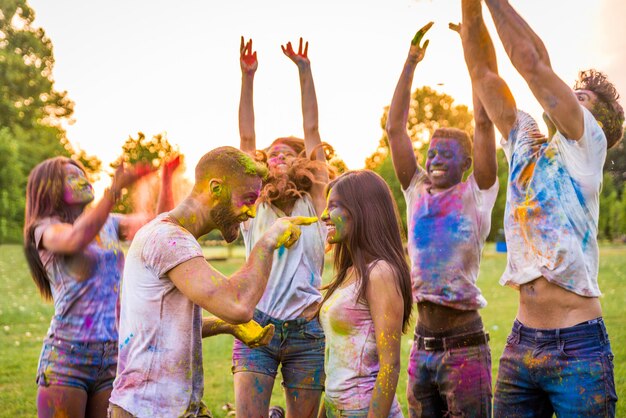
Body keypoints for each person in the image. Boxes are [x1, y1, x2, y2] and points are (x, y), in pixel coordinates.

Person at [458, 0, 623, 415]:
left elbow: (532, 65)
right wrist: (471, 12)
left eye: (578, 96)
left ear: (595, 118)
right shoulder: (527, 139)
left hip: (579, 348)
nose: (565, 97)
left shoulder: (589, 145)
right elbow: (484, 76)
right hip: (521, 345)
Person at [108, 146, 314, 417]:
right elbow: (237, 305)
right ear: (216, 188)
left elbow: (162, 328)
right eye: (247, 199)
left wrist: (227, 326)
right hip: (147, 409)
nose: (251, 213)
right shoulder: (169, 240)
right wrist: (267, 242)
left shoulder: (171, 236)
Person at [385, 23, 499, 417]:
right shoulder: (416, 190)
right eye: (431, 153)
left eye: (445, 155)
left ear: (465, 163)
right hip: (422, 345)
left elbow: (483, 123)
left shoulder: (476, 194)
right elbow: (395, 128)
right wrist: (411, 61)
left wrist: (472, 55)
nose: (433, 161)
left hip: (465, 348)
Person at [23, 155, 179, 418]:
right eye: (72, 177)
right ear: (51, 188)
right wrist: (115, 190)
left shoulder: (107, 222)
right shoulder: (45, 229)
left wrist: (165, 178)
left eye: (83, 175)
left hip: (113, 355)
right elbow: (74, 239)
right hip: (67, 357)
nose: (83, 180)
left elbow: (159, 226)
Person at [233, 37, 330, 418]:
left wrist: (304, 71)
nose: (275, 157)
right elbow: (245, 141)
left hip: (307, 332)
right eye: (270, 154)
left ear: (301, 164)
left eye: (285, 153)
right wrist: (247, 77)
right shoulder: (254, 205)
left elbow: (313, 130)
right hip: (258, 327)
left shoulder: (315, 201)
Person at [318, 170, 413, 417]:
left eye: (334, 206)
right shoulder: (349, 272)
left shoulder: (380, 273)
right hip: (335, 408)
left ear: (362, 210)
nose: (324, 215)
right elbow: (335, 359)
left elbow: (390, 366)